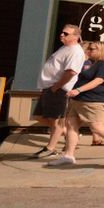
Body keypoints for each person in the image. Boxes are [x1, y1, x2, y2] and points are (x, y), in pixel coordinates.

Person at [48, 41, 104, 167]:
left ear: (101, 50)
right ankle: (68, 156)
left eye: (92, 49)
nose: (88, 50)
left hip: (93, 101)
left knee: (97, 129)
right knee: (71, 126)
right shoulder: (92, 63)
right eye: (88, 48)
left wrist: (78, 90)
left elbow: (98, 81)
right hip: (78, 100)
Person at [31, 24, 86, 159]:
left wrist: (56, 86)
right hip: (50, 88)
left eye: (66, 34)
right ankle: (70, 134)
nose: (62, 35)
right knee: (40, 117)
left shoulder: (75, 51)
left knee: (56, 122)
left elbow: (71, 72)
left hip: (59, 89)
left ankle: (50, 148)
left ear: (76, 37)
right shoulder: (65, 47)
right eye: (62, 32)